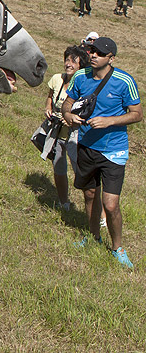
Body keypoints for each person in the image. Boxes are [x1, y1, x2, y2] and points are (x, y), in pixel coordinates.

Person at [62, 37, 141, 268]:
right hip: (86, 146)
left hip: (114, 150)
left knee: (111, 204)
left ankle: (117, 247)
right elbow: (68, 103)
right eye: (92, 51)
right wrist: (68, 116)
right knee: (89, 195)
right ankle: (93, 236)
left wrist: (110, 121)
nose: (93, 55)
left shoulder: (124, 81)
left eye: (99, 52)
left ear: (111, 58)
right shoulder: (80, 76)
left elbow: (137, 114)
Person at [43, 45, 90, 210]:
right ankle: (64, 203)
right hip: (57, 134)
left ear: (81, 66)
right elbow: (50, 98)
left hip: (76, 137)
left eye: (73, 62)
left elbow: (87, 111)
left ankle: (96, 211)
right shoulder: (57, 79)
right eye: (67, 60)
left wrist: (71, 119)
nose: (68, 64)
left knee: (82, 174)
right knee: (59, 169)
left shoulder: (85, 84)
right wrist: (48, 109)